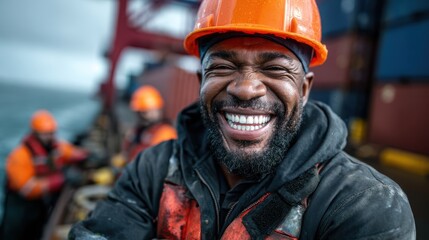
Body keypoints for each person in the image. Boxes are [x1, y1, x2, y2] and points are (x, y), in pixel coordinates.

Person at [69, 0, 416, 239]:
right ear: (201, 82)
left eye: (275, 68)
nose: (246, 88)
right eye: (222, 67)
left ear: (305, 89)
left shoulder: (363, 205)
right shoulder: (155, 168)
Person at [1, 110, 88, 240]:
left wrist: (87, 155)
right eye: (46, 134)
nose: (50, 137)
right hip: (20, 206)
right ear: (35, 133)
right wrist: (62, 179)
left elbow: (70, 152)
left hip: (39, 204)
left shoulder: (54, 148)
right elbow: (27, 188)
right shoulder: (20, 156)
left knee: (35, 231)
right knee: (13, 234)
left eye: (52, 133)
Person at [122, 85, 177, 162]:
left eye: (144, 113)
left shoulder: (165, 133)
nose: (140, 116)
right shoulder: (142, 130)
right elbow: (128, 151)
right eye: (139, 113)